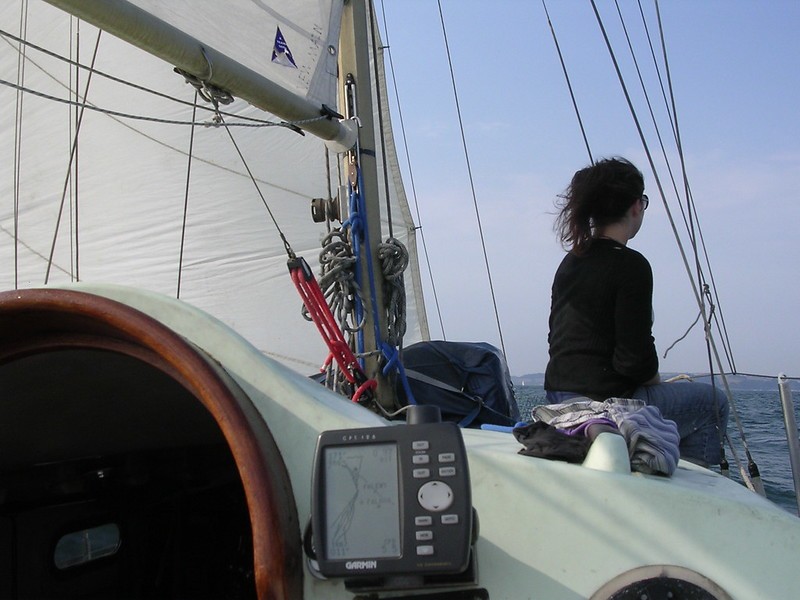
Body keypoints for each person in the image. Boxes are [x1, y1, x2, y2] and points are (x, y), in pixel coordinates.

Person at [544, 157, 728, 467]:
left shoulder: (571, 262)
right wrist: (653, 378)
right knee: (713, 402)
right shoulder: (632, 266)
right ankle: (693, 487)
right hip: (604, 400)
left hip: (558, 395)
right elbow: (633, 362)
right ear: (635, 207)